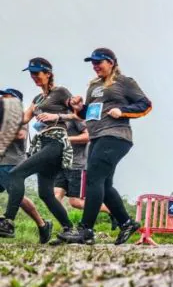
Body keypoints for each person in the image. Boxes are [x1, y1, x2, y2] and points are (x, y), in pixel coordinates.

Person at [61, 48, 152, 244]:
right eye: (92, 63)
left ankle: (86, 230)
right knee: (104, 183)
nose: (95, 66)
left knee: (94, 178)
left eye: (99, 61)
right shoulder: (93, 86)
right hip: (96, 136)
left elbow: (145, 104)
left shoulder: (124, 82)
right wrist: (78, 108)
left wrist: (123, 110)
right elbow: (88, 114)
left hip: (115, 136)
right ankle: (126, 222)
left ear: (111, 62)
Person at [0, 58, 76, 240]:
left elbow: (79, 115)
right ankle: (69, 229)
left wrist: (55, 115)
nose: (34, 77)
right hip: (43, 144)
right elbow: (24, 120)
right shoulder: (37, 99)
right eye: (31, 74)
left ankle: (8, 221)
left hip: (57, 143)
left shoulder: (60, 92)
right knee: (46, 194)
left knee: (16, 174)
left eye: (37, 73)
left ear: (48, 74)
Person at [0, 89, 52, 243]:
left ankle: (42, 224)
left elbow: (20, 135)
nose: (3, 99)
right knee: (18, 197)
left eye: (7, 97)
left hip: (12, 162)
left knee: (18, 198)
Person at [54, 119, 115, 229]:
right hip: (61, 165)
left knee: (75, 202)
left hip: (77, 167)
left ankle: (112, 211)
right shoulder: (54, 118)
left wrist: (66, 139)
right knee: (55, 197)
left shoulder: (74, 118)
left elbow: (88, 136)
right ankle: (67, 227)